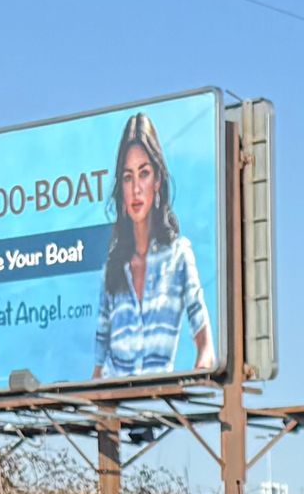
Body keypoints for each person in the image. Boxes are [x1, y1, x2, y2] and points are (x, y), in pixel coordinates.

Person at [92, 111, 214, 380]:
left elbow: (206, 347)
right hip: (116, 412)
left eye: (143, 174)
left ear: (157, 180)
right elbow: (99, 364)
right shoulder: (113, 267)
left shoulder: (179, 255)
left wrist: (198, 376)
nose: (136, 188)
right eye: (127, 177)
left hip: (159, 406)